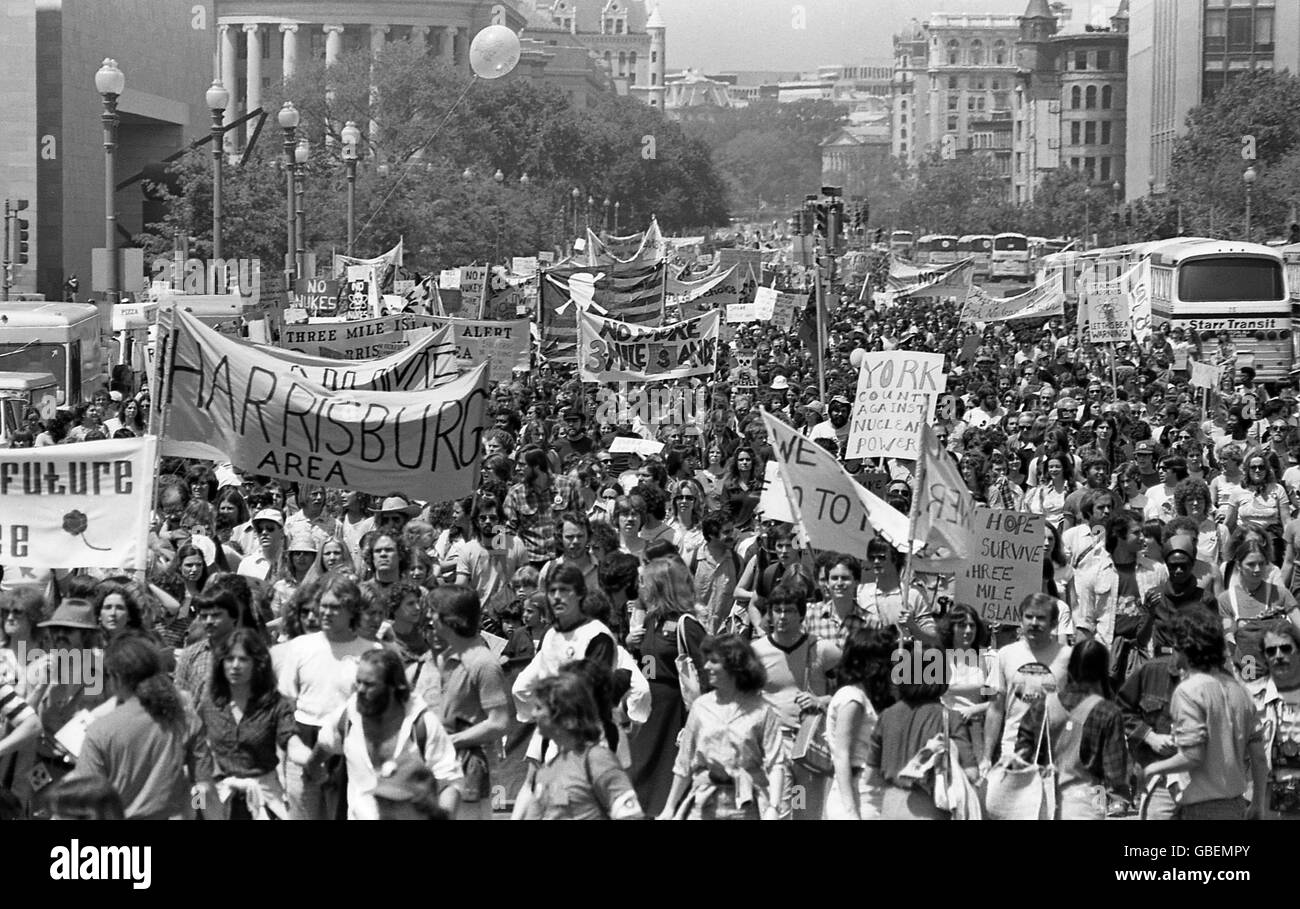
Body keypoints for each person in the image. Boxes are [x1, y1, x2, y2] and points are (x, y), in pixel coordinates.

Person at [1142, 610, 1269, 819]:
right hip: (1235, 806)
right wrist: (1257, 803)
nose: (1173, 652)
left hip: (1200, 809)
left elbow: (1193, 756)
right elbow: (1259, 758)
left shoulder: (1189, 691)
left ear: (1187, 648)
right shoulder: (1241, 692)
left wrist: (1152, 769)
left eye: (1176, 646)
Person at [70, 633, 213, 820]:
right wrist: (196, 813)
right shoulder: (185, 721)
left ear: (116, 677)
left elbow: (87, 800)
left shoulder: (100, 730)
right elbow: (202, 787)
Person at [310, 649, 463, 820]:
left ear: (394, 687)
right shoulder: (347, 717)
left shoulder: (422, 724)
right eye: (358, 682)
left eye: (370, 684)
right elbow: (325, 744)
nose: (360, 690)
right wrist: (313, 767)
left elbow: (449, 782)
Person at [275, 574, 381, 820]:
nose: (325, 613)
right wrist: (288, 756)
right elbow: (284, 707)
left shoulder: (371, 652)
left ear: (351, 610)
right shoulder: (300, 647)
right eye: (323, 606)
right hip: (303, 741)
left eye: (335, 607)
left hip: (350, 747)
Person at [658, 634, 786, 821]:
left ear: (734, 666)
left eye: (714, 662)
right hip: (704, 804)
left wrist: (774, 807)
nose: (706, 667)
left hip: (746, 806)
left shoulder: (762, 710)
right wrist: (669, 808)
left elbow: (777, 763)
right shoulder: (701, 706)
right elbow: (684, 763)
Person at [417, 585, 511, 820]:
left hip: (468, 775)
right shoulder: (431, 659)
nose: (428, 616)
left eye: (433, 611)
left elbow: (498, 722)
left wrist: (451, 741)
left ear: (452, 619)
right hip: (430, 771)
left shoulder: (483, 663)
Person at [750, 582, 839, 820]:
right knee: (777, 811)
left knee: (806, 814)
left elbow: (852, 691)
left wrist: (821, 700)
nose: (781, 616)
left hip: (810, 746)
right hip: (773, 745)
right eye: (776, 610)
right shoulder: (756, 652)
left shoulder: (822, 649)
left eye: (788, 610)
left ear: (801, 613)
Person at [626, 558, 707, 816]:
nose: (641, 588)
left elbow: (706, 669)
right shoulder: (650, 621)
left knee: (669, 771)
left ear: (658, 585)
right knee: (639, 768)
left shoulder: (687, 624)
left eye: (644, 582)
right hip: (648, 707)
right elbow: (645, 667)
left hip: (675, 710)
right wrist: (631, 645)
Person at [1016, 639, 1130, 818]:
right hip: (1087, 802)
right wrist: (1119, 798)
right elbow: (1114, 769)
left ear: (1071, 666)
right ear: (1102, 669)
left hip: (1041, 801)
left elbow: (1023, 750)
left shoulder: (1043, 705)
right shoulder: (1107, 712)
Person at [865, 644, 976, 820]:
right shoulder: (950, 718)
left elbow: (870, 776)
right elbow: (971, 774)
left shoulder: (886, 716)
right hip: (930, 809)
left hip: (890, 807)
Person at [200, 628, 300, 819]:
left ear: (258, 664)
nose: (235, 666)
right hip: (217, 796)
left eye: (243, 659)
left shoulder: (276, 704)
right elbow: (194, 751)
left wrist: (312, 757)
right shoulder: (210, 703)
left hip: (264, 797)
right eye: (229, 659)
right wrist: (197, 806)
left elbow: (291, 740)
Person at [518, 673, 644, 820]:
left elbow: (631, 816)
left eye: (539, 708)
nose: (534, 714)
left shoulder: (597, 760)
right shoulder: (548, 769)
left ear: (566, 716)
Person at [982, 593, 1072, 771]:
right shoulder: (1005, 654)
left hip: (1055, 755)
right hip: (1012, 752)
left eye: (1041, 618)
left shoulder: (1069, 657)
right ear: (1020, 620)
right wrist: (986, 757)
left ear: (1054, 624)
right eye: (1029, 617)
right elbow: (995, 708)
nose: (1034, 623)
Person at [825, 628, 894, 820]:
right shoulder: (852, 699)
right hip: (856, 794)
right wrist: (851, 811)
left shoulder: (860, 695)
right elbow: (842, 755)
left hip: (867, 792)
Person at [1217, 535, 1300, 682]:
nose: (1257, 569)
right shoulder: (1226, 599)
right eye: (1251, 564)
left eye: (1262, 564)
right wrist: (1239, 661)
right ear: (1238, 565)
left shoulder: (1281, 594)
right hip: (1247, 669)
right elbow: (1227, 635)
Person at [1256, 623, 1300, 819]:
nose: (1278, 655)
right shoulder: (1251, 698)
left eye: (1286, 648)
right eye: (1271, 651)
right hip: (1266, 795)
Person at [174, 592, 242, 709]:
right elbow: (181, 696)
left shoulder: (248, 652)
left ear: (233, 617)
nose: (209, 621)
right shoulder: (191, 654)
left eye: (216, 615)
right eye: (204, 616)